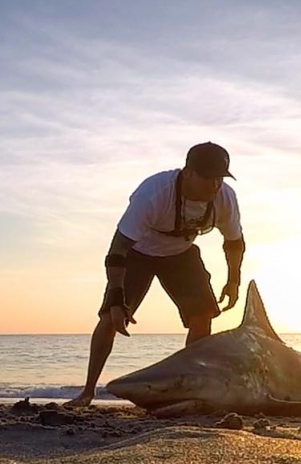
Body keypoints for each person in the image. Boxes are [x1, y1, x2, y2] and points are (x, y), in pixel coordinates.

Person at [67, 142, 245, 407]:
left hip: (181, 254)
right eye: (208, 177)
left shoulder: (225, 198)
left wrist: (233, 281)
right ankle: (88, 391)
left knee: (202, 317)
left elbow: (234, 243)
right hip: (138, 252)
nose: (214, 185)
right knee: (109, 319)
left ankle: (190, 389)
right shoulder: (154, 193)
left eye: (219, 177)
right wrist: (116, 296)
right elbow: (117, 250)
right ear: (188, 173)